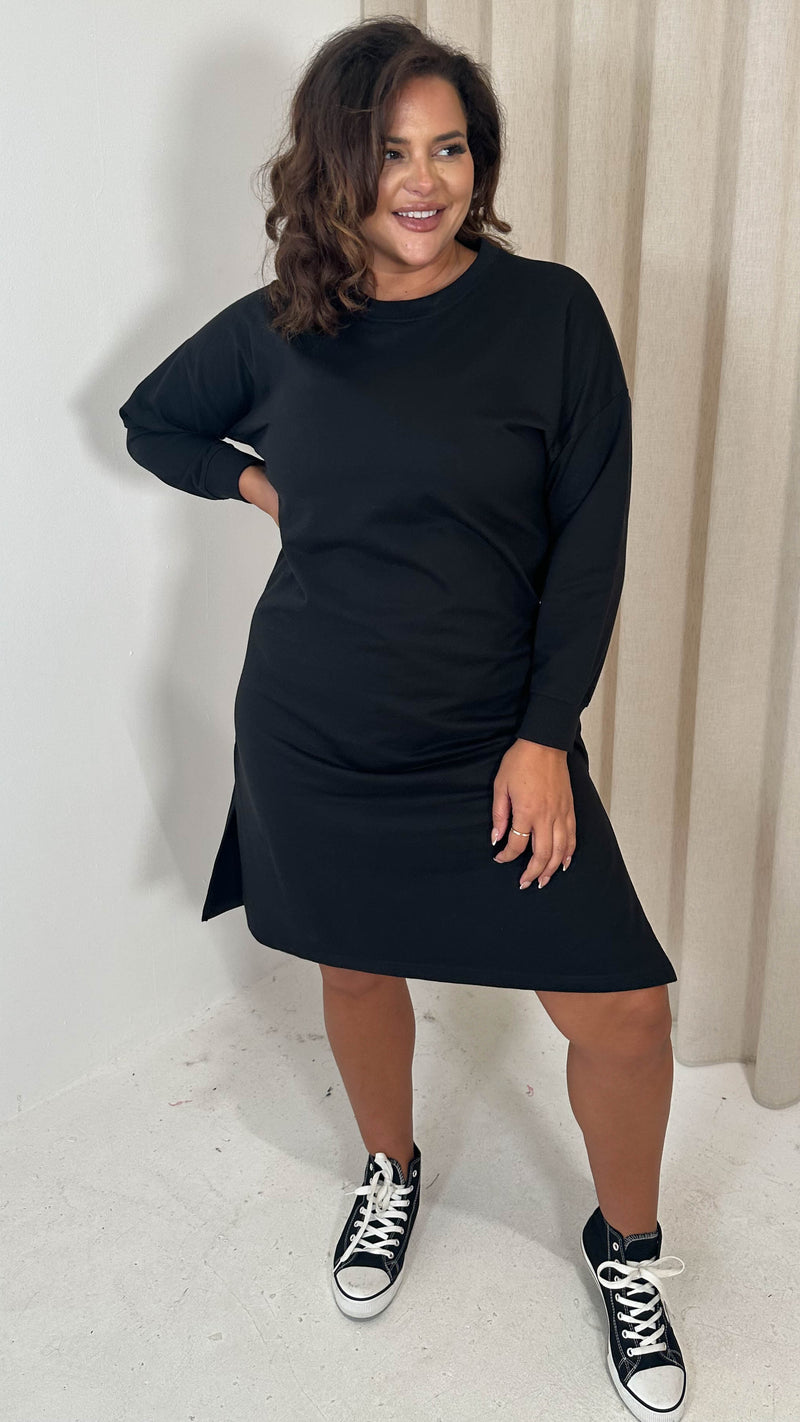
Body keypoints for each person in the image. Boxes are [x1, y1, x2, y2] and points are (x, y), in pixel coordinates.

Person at [118, 17, 688, 1420]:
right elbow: (154, 420)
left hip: (493, 734)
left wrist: (544, 734)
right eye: (388, 153)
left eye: (449, 149)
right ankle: (391, 1168)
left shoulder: (550, 316)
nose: (422, 182)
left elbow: (591, 544)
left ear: (478, 163)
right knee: (357, 970)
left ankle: (627, 1246)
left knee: (623, 1010)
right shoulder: (283, 325)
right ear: (335, 165)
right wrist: (262, 487)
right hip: (318, 729)